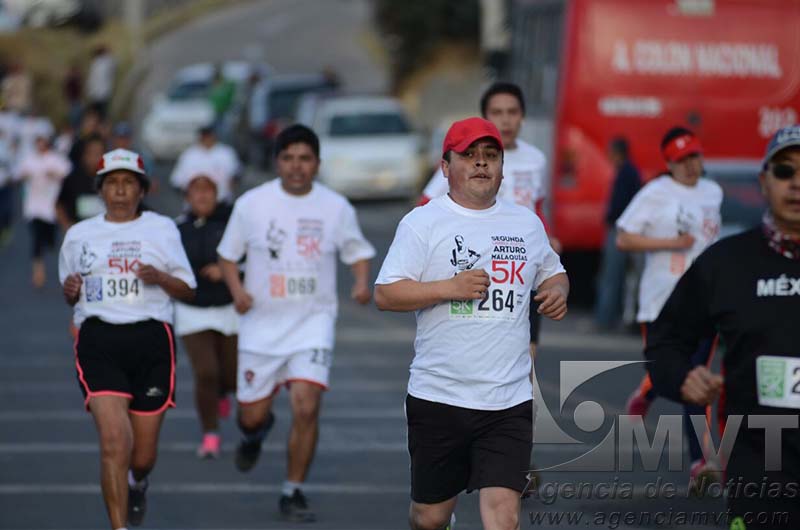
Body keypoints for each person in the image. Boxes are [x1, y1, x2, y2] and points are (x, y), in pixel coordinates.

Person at [375, 117, 569, 530]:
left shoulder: (525, 223)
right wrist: (449, 287)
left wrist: (558, 290)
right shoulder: (423, 222)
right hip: (439, 397)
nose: (481, 163)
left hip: (508, 400)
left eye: (490, 155)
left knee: (504, 516)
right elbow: (386, 294)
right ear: (445, 167)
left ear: (502, 167)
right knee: (429, 518)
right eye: (469, 155)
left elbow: (554, 272)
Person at [644, 124, 800, 529]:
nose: (796, 183)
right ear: (764, 182)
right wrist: (683, 377)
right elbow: (665, 342)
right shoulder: (726, 263)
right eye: (785, 171)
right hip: (761, 470)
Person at [217, 124, 375, 522]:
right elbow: (227, 255)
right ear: (277, 162)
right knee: (251, 415)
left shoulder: (335, 207)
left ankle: (293, 490)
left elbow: (357, 251)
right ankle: (254, 432)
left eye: (305, 159)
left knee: (307, 407)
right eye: (288, 158)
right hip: (260, 326)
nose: (296, 166)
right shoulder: (252, 204)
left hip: (312, 324)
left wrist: (360, 282)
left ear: (317, 163)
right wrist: (237, 290)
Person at [59, 148, 196, 529]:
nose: (120, 190)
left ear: (142, 189)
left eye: (128, 183)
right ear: (101, 190)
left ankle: (138, 483)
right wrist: (70, 291)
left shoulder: (162, 229)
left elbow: (188, 290)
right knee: (115, 442)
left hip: (151, 340)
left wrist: (161, 277)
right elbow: (71, 293)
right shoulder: (79, 236)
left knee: (142, 456)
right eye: (112, 183)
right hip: (99, 340)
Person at [418, 82, 556, 361]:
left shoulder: (536, 159)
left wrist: (549, 239)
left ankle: (518, 390)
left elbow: (538, 207)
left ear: (522, 116)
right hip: (476, 266)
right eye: (497, 113)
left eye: (512, 112)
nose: (506, 120)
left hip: (517, 263)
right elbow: (426, 205)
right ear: (485, 117)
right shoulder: (466, 160)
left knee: (526, 354)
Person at [616, 126, 723, 483]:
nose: (690, 165)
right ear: (669, 163)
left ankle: (699, 464)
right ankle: (650, 389)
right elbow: (624, 239)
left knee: (697, 378)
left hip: (704, 302)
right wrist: (670, 243)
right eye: (681, 160)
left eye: (694, 157)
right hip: (661, 302)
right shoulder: (655, 192)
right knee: (671, 375)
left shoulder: (713, 192)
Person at [174, 170, 238, 459]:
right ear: (187, 197)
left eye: (208, 191)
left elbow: (252, 259)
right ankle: (210, 433)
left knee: (231, 375)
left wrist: (226, 271)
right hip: (192, 310)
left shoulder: (232, 224)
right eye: (196, 192)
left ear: (216, 195)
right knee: (206, 372)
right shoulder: (176, 228)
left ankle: (224, 392)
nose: (202, 196)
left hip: (229, 307)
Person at [594, 136, 641, 330]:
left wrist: (609, 218)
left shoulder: (626, 173)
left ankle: (604, 319)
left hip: (620, 230)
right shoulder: (630, 172)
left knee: (611, 276)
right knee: (622, 277)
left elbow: (620, 204)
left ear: (617, 153)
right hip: (627, 230)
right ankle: (616, 318)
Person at [15, 134, 71, 287]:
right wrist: (24, 176)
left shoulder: (55, 159)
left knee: (50, 240)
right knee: (36, 237)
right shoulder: (29, 159)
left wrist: (54, 174)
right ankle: (38, 271)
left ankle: (50, 247)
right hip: (33, 207)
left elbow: (67, 172)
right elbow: (18, 174)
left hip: (50, 207)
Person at [170, 126, 240, 203]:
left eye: (209, 136)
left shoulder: (226, 153)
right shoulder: (189, 155)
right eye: (204, 136)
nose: (207, 139)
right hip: (195, 204)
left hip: (222, 201)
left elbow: (236, 175)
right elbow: (177, 181)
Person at [56, 133, 105, 230]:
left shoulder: (110, 179)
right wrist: (67, 226)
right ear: (84, 155)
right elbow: (59, 204)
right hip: (80, 234)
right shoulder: (72, 179)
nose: (96, 158)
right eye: (92, 153)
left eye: (99, 153)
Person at [86, 45, 116, 118]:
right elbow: (114, 64)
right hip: (103, 94)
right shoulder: (106, 62)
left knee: (95, 115)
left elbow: (90, 81)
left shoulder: (94, 64)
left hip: (94, 94)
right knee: (102, 115)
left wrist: (89, 92)